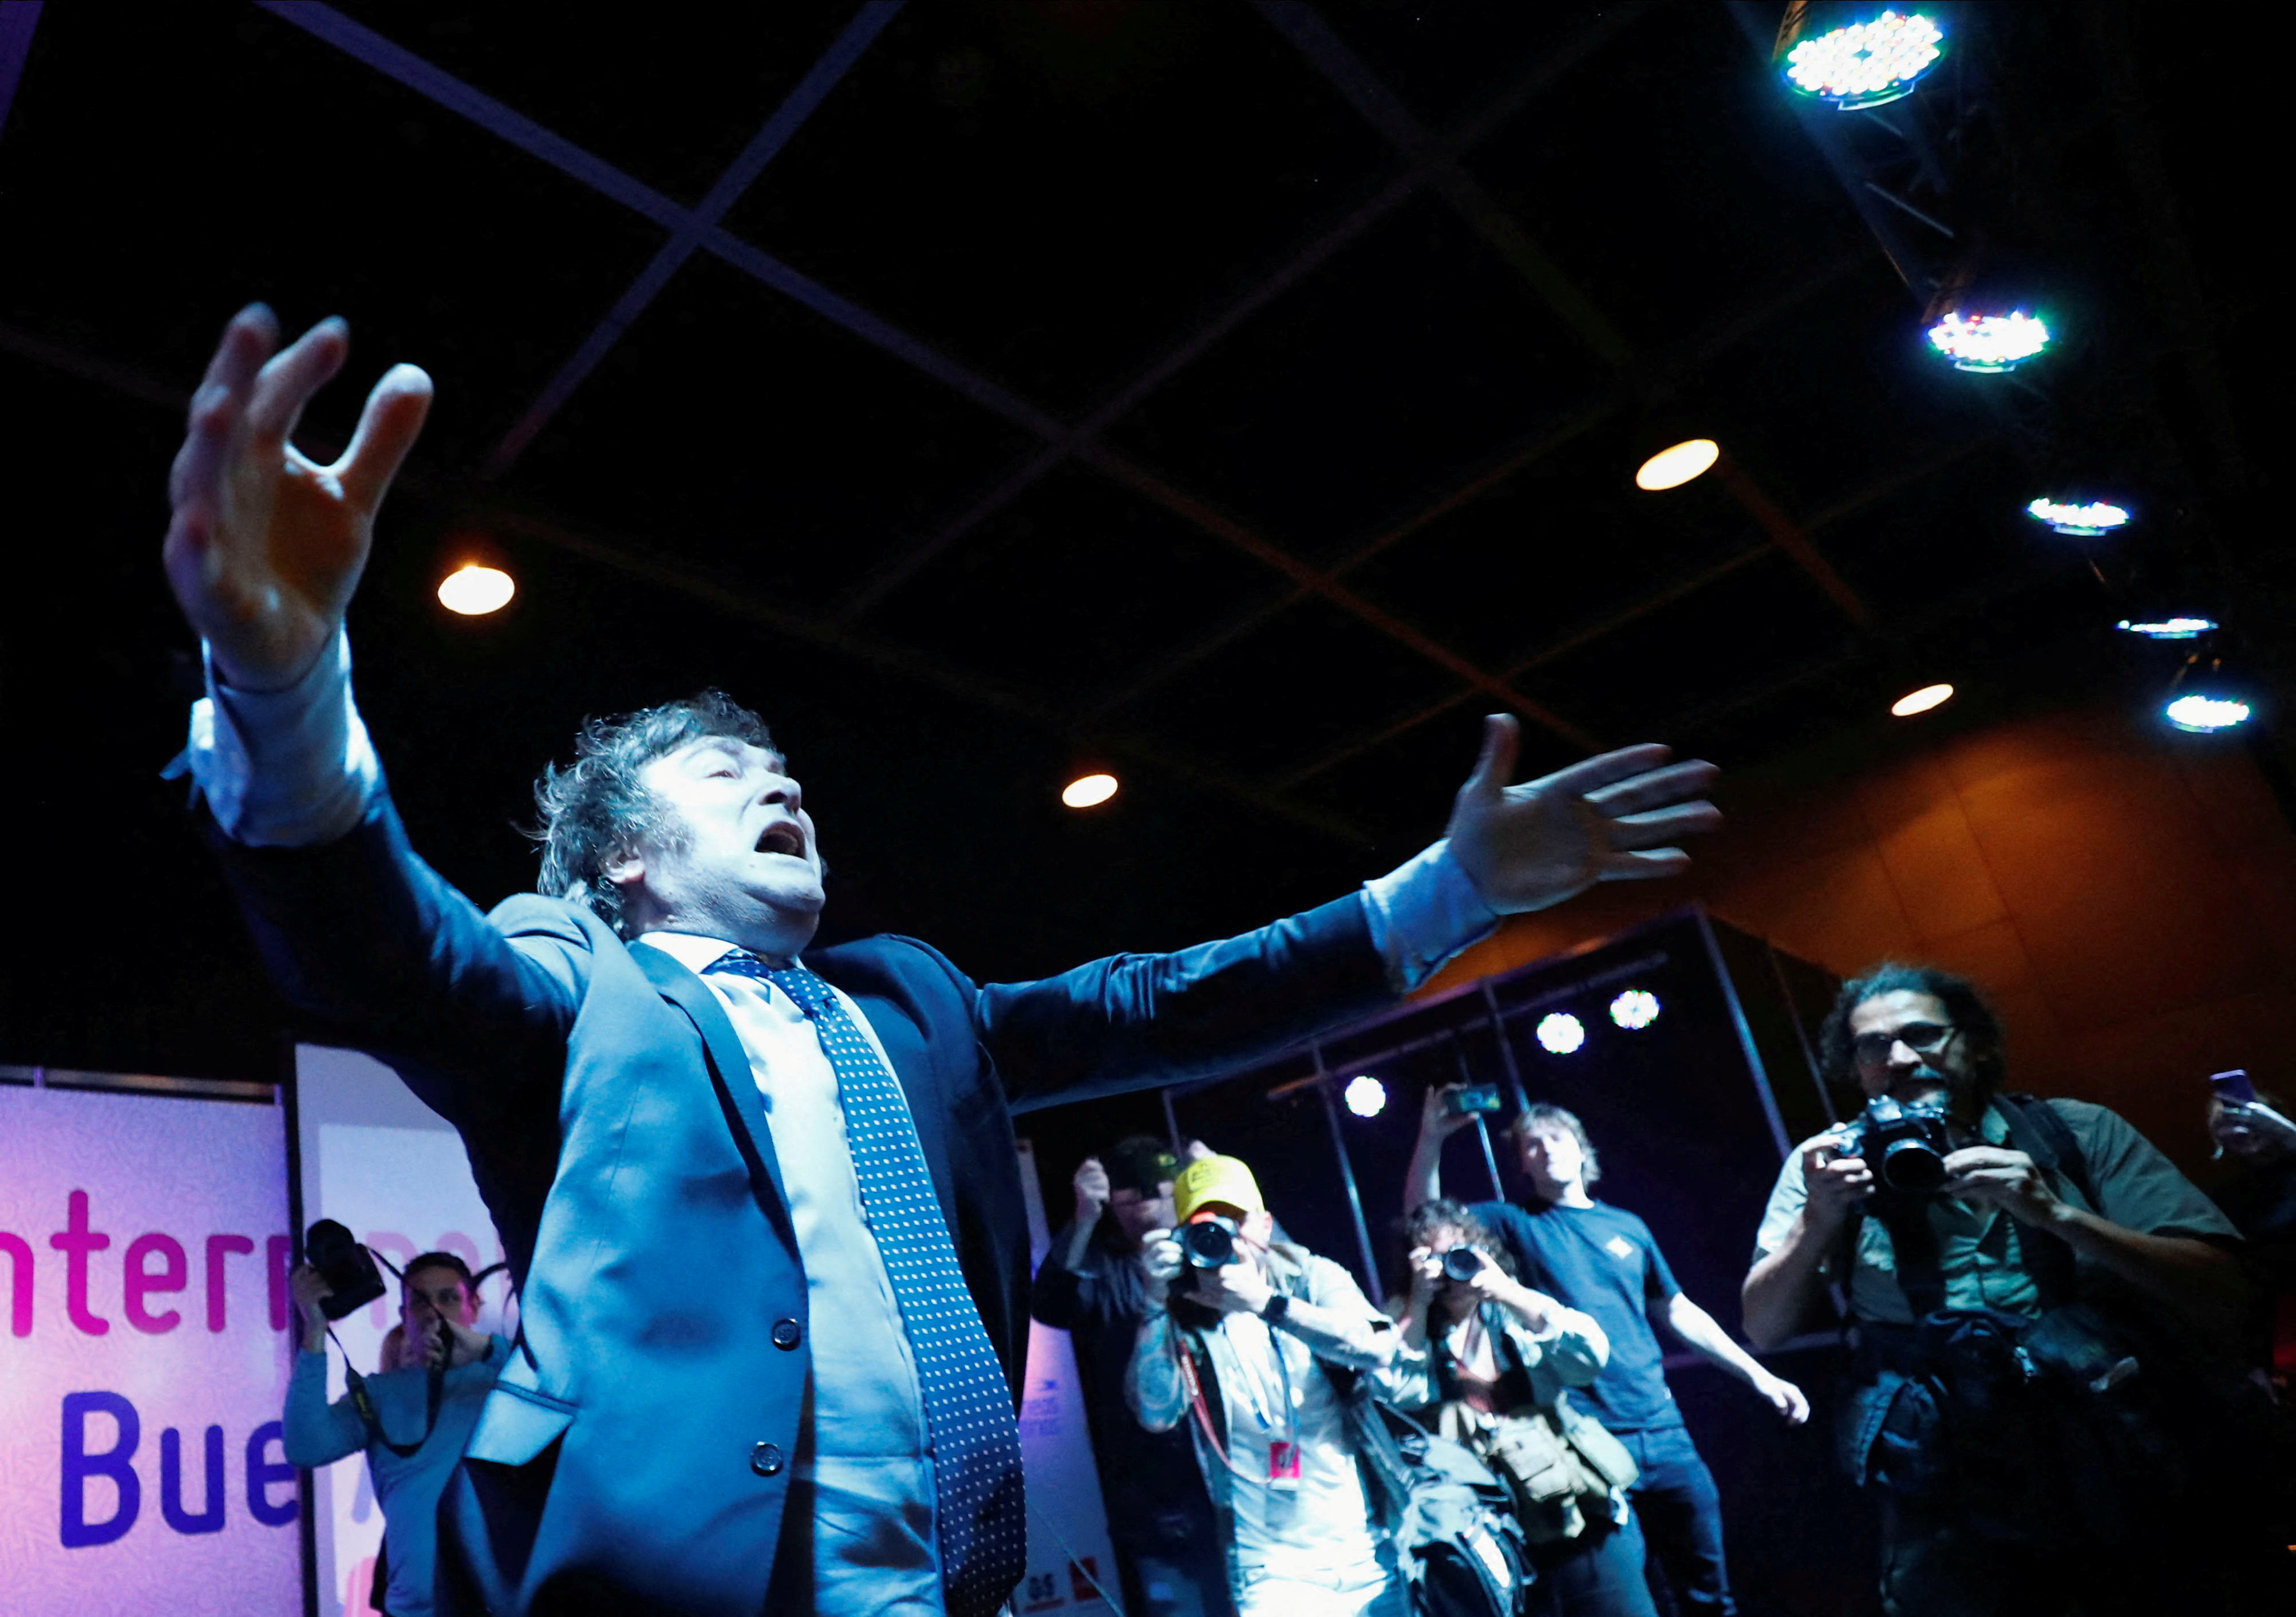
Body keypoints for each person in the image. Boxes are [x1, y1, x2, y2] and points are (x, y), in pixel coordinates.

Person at [159, 306, 1723, 1617]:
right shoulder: (577, 975)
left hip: (952, 1578)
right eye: (723, 773)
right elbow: (392, 959)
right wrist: (282, 686)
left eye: (784, 770)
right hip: (672, 1584)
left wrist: (1440, 893)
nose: (781, 785)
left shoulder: (910, 998)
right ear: (623, 858)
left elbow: (1160, 1004)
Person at [1742, 963, 2261, 1616]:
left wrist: (2057, 1214)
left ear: (1977, 1042)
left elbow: (2224, 1290)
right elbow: (1763, 1326)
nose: (1899, 1056)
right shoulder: (1826, 1163)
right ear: (1857, 1066)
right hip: (1950, 1487)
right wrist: (1818, 1220)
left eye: (1923, 1034)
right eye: (1873, 1045)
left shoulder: (2074, 1132)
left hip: (2123, 1454)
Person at [1408, 1094, 1803, 1615]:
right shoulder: (1516, 1222)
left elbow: (1679, 1312)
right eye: (1531, 1143)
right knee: (1625, 1599)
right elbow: (1428, 1219)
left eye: (1555, 1136)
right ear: (1522, 1163)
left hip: (1663, 1431)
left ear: (1581, 1148)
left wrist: (1759, 1375)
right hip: (1583, 1444)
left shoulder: (1628, 1227)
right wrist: (1432, 1138)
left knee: (1709, 1592)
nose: (1545, 1147)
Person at [1125, 1155, 1412, 1617]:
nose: (1225, 1233)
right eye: (1204, 1223)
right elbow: (1155, 1413)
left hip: (1366, 1550)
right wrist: (1154, 1299)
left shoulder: (1309, 1276)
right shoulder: (1183, 1309)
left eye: (1234, 1219)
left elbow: (1376, 1349)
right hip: (1270, 1572)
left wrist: (1265, 1303)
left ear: (1264, 1224)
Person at [1389, 1199, 1650, 1617]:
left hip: (1575, 1510)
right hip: (1490, 1530)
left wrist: (1505, 1290)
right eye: (1437, 1259)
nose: (1452, 1271)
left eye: (1460, 1254)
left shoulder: (1513, 1308)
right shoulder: (1407, 1324)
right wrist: (1417, 1304)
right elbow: (1392, 1390)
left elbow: (1589, 1359)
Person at [1033, 1137, 1234, 1617]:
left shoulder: (1215, 1251)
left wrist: (1218, 1186)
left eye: (1158, 1190)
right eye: (1131, 1196)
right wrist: (1083, 1215)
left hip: (1240, 1490)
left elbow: (1280, 1264)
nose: (1145, 1202)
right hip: (1157, 1508)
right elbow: (1050, 1305)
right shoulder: (1106, 1267)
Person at [287, 1253, 508, 1617]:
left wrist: (486, 1350)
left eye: (449, 1298)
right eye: (419, 1301)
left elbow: (575, 1395)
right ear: (403, 1317)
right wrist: (314, 1330)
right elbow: (304, 1446)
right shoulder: (381, 1394)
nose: (433, 1311)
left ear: (474, 1307)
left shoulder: (507, 1379)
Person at [2206, 1085, 2296, 1381]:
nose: (2239, 1125)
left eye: (2247, 1115)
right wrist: (2255, 1363)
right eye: (2225, 1122)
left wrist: (2287, 1135)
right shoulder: (2229, 1200)